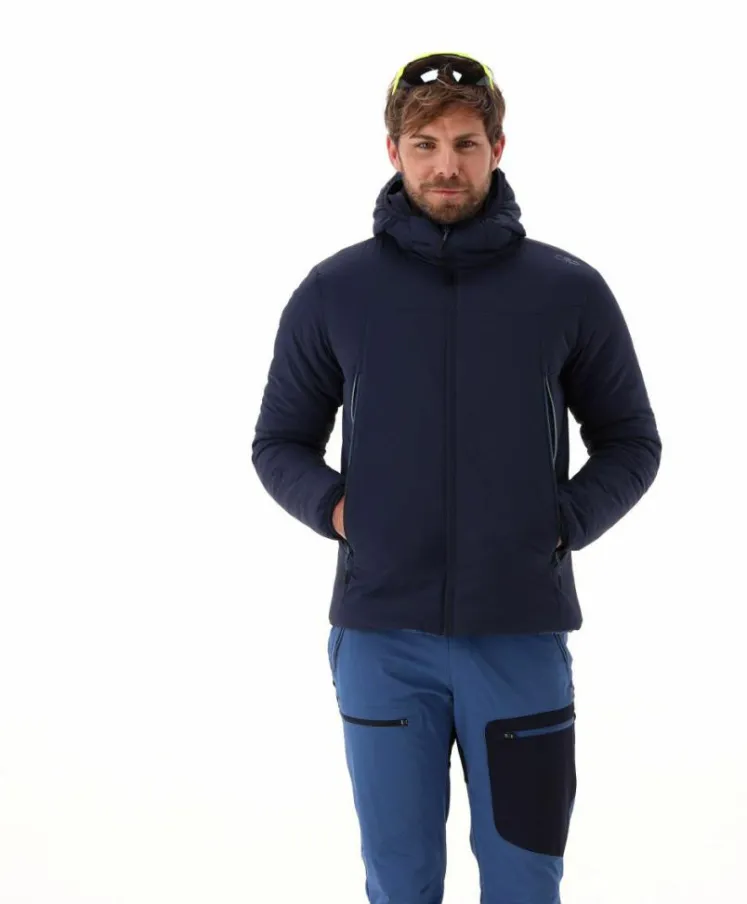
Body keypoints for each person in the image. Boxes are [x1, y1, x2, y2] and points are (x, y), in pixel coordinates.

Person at [251, 51, 661, 904]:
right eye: (426, 144)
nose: (447, 165)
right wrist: (339, 511)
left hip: (519, 637)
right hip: (381, 641)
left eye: (466, 143)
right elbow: (279, 443)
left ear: (498, 148)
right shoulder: (336, 291)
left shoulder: (567, 291)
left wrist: (561, 522)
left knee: (524, 882)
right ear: (393, 151)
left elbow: (631, 440)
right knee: (400, 884)